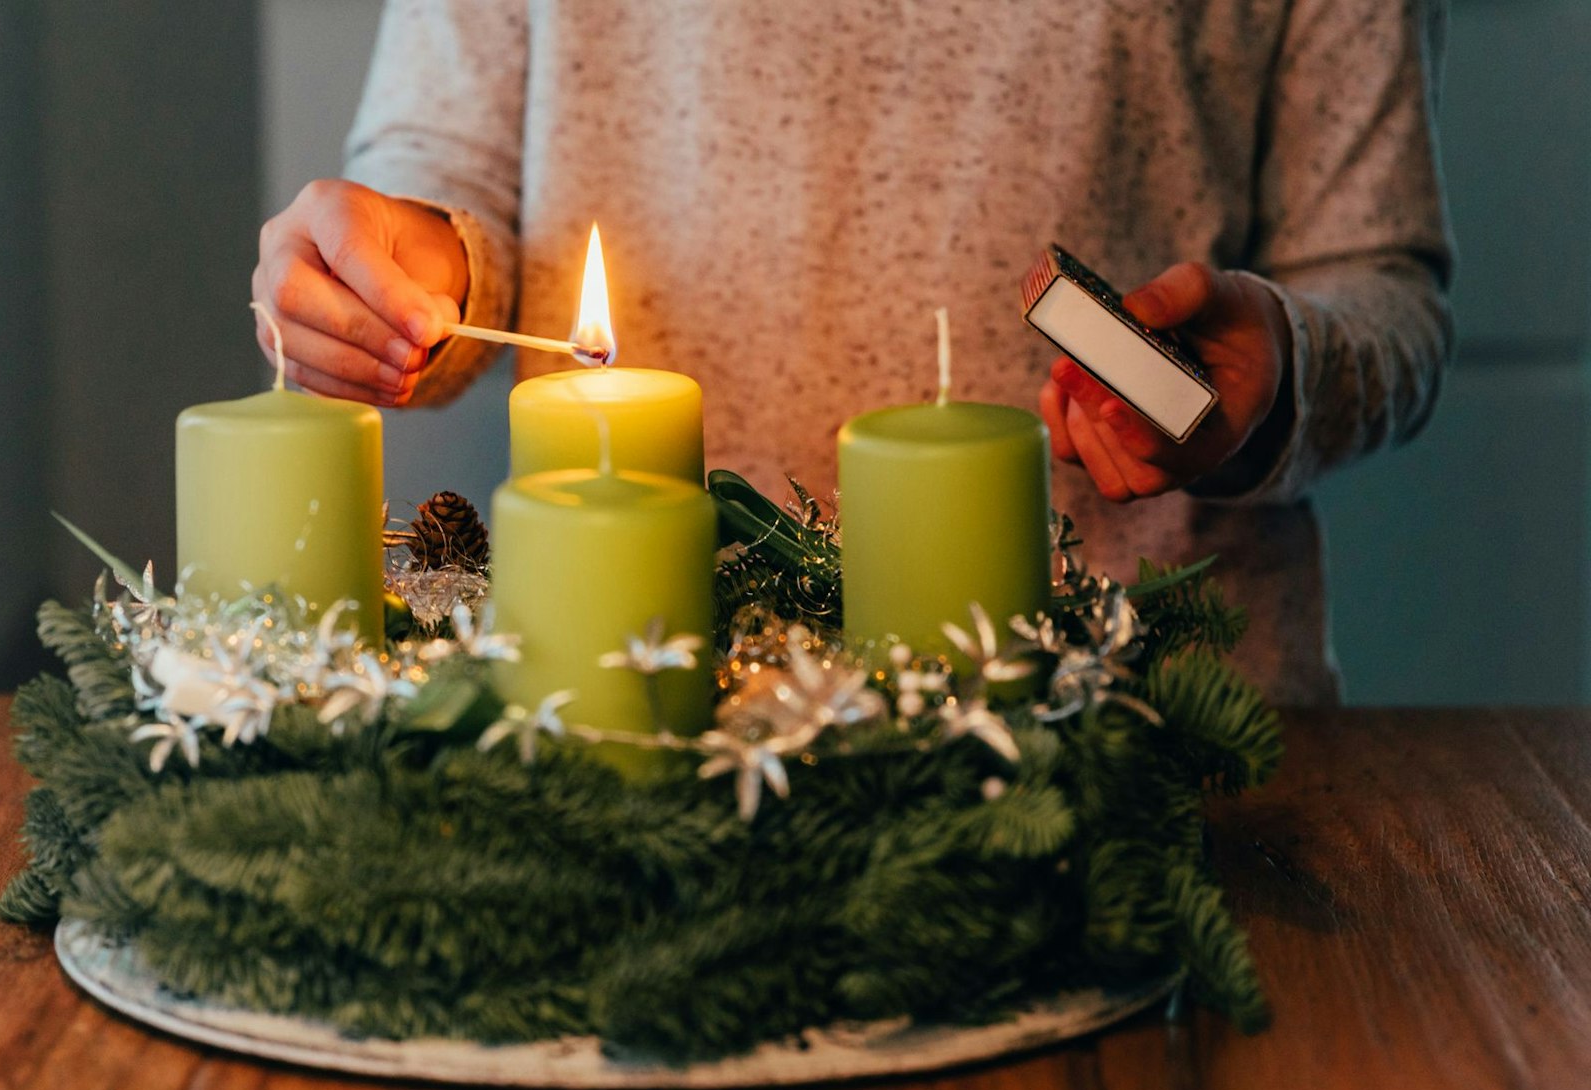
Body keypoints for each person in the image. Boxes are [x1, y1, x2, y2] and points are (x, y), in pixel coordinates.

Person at [251, 1, 1453, 705]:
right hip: (643, 713)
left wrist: (1279, 372)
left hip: (1130, 733)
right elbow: (439, 169)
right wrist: (401, 272)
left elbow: (1381, 279)